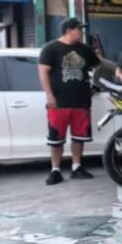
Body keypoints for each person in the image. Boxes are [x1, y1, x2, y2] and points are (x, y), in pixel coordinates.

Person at [38, 18, 100, 185]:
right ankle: (55, 170)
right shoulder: (51, 48)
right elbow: (43, 72)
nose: (82, 32)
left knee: (79, 137)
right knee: (56, 139)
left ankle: (77, 167)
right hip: (59, 102)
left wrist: (96, 84)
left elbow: (98, 65)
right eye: (79, 29)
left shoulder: (85, 50)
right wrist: (49, 96)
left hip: (81, 101)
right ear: (69, 30)